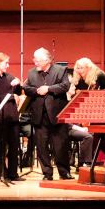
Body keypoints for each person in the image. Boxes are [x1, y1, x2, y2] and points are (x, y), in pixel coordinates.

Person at [24, 47, 72, 181]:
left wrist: (49, 89)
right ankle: (47, 173)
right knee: (41, 146)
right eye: (34, 59)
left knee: (60, 145)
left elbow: (65, 86)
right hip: (39, 115)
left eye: (37, 59)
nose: (35, 62)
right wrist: (37, 90)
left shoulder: (60, 70)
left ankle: (64, 172)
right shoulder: (31, 73)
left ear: (47, 60)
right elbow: (27, 88)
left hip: (56, 114)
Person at [0, 52, 23, 183]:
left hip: (12, 115)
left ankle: (13, 173)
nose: (8, 65)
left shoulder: (9, 77)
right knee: (1, 146)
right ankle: (0, 172)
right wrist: (11, 87)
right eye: (6, 63)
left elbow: (18, 92)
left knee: (14, 145)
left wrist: (18, 85)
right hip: (0, 117)